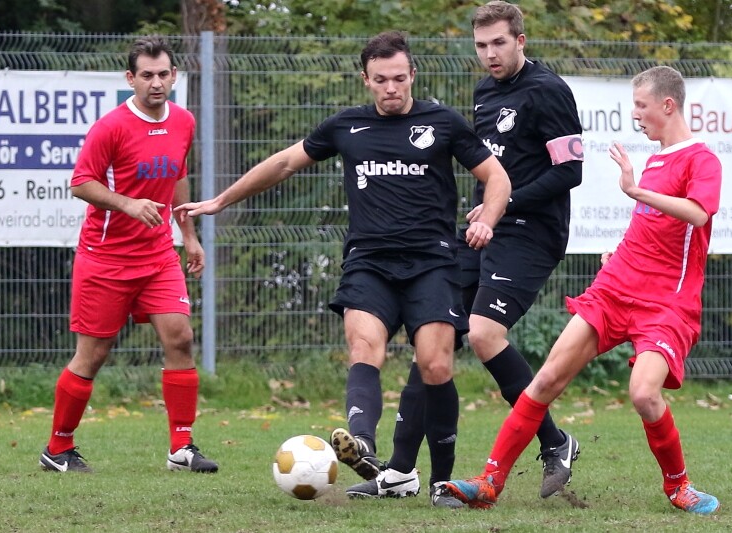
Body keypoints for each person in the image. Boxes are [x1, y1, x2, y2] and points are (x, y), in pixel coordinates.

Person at [174, 31, 511, 506]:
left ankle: (443, 481)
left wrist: (488, 219)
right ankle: (363, 444)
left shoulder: (442, 122)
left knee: (435, 364)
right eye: (381, 80)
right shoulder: (346, 126)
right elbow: (284, 163)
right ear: (365, 80)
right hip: (369, 262)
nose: (391, 88)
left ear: (412, 75)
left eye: (399, 78)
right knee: (363, 346)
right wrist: (220, 201)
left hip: (432, 261)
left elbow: (497, 176)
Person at [443, 65, 722, 516]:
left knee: (644, 394)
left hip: (666, 302)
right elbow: (653, 227)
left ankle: (679, 486)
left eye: (641, 106)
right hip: (616, 288)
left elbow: (698, 213)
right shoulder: (656, 159)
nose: (635, 115)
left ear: (668, 105)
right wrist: (620, 252)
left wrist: (635, 191)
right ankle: (489, 482)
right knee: (547, 379)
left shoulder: (702, 159)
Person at [346, 0, 583, 502]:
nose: (490, 54)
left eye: (499, 43)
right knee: (434, 343)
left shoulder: (549, 90)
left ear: (520, 40)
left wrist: (504, 205)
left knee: (483, 332)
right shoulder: (484, 91)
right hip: (483, 230)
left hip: (531, 232)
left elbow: (570, 172)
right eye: (481, 45)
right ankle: (401, 472)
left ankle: (555, 441)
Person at [39, 36, 218, 474]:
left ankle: (181, 447)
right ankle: (57, 448)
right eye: (147, 75)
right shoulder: (111, 127)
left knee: (180, 337)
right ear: (130, 79)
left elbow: (178, 175)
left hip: (158, 255)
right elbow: (81, 182)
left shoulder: (183, 121)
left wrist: (188, 235)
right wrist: (127, 204)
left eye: (163, 74)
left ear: (174, 76)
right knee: (93, 354)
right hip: (106, 258)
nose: (156, 83)